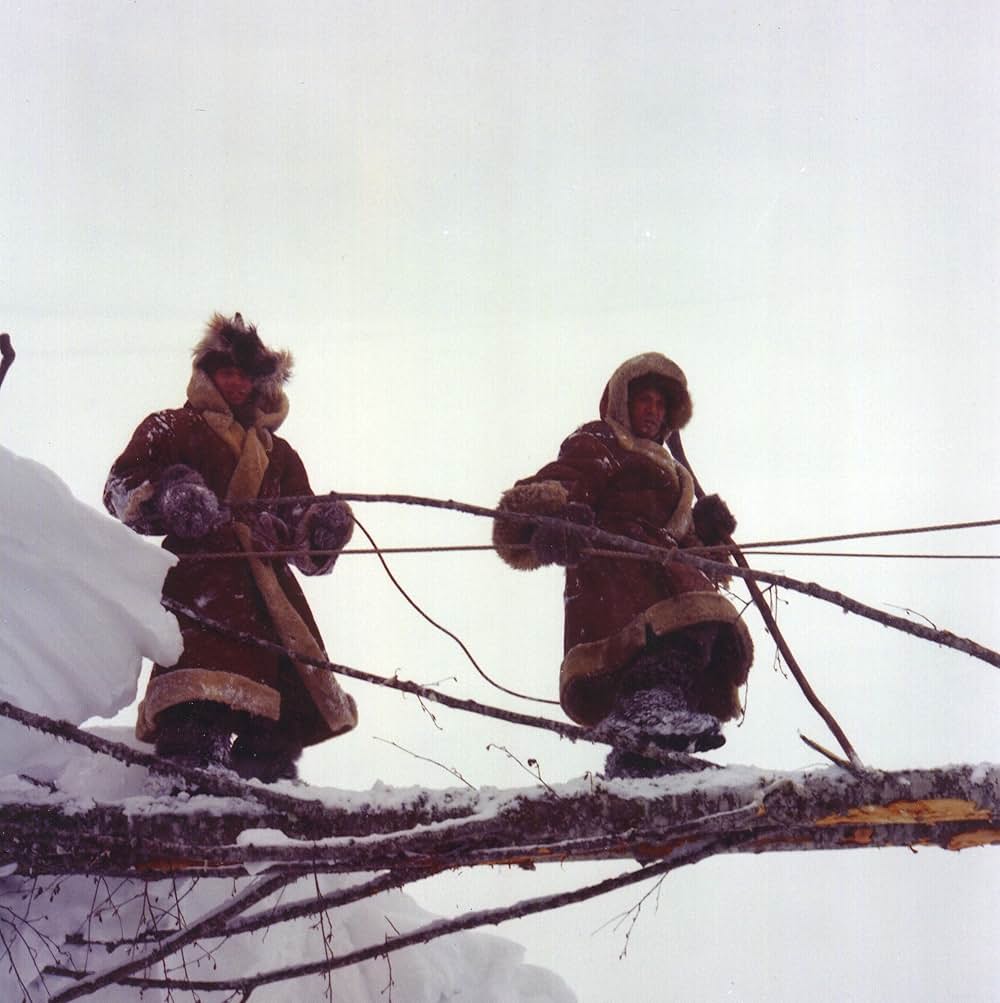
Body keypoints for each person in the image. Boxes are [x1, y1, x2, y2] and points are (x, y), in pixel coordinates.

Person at [105, 312, 357, 782]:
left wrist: (322, 527)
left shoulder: (279, 454)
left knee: (274, 711)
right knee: (199, 693)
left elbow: (298, 524)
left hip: (268, 595)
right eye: (227, 372)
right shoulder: (171, 427)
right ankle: (190, 784)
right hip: (203, 580)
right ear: (208, 374)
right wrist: (171, 493)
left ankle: (269, 796)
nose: (237, 383)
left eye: (246, 375)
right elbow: (120, 488)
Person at [493, 352, 753, 777]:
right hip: (617, 571)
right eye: (644, 400)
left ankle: (647, 760)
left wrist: (708, 532)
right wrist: (554, 521)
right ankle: (649, 710)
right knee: (666, 637)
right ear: (622, 402)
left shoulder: (675, 473)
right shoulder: (601, 441)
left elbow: (688, 544)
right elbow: (561, 482)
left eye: (661, 404)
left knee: (707, 628)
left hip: (665, 567)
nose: (653, 411)